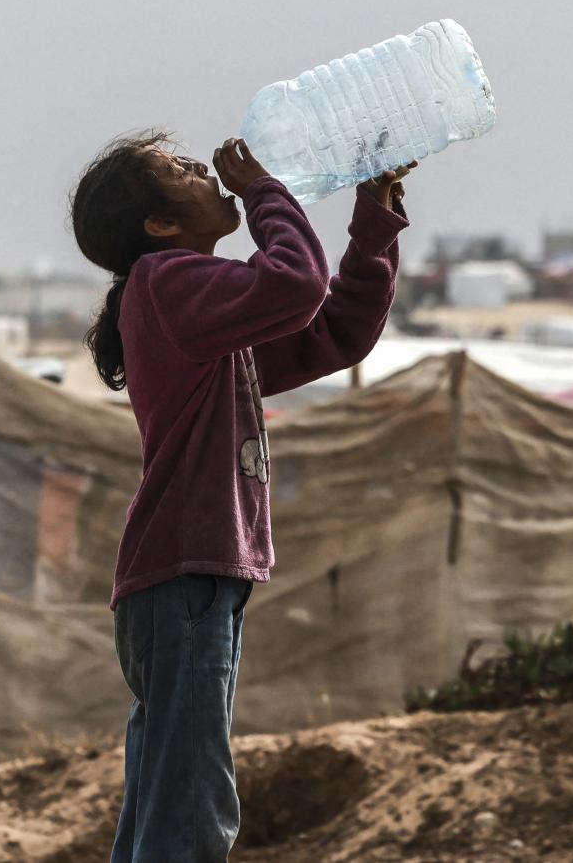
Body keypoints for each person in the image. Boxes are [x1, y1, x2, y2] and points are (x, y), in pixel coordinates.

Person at [71, 131, 413, 862]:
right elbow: (295, 284)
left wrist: (374, 218)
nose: (205, 170)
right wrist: (262, 190)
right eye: (182, 171)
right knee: (189, 807)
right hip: (185, 575)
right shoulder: (166, 283)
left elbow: (333, 334)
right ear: (158, 226)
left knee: (167, 799)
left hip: (191, 579)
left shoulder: (197, 310)